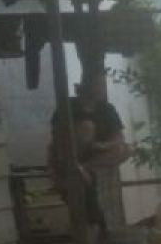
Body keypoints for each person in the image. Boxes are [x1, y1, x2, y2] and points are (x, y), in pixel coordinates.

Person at [47, 73, 131, 229]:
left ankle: (84, 168)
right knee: (87, 127)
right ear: (83, 87)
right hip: (72, 151)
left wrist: (104, 146)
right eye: (95, 85)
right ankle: (76, 167)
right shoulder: (68, 106)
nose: (99, 89)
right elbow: (56, 137)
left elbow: (119, 137)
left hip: (96, 156)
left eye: (100, 85)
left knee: (125, 149)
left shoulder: (107, 109)